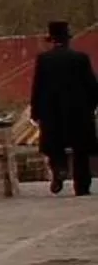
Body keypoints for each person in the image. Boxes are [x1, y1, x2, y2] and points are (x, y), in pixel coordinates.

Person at [30, 20, 97, 196]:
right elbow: (91, 85)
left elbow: (38, 87)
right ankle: (82, 185)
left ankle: (59, 169)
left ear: (51, 40)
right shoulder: (80, 58)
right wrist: (93, 106)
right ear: (68, 39)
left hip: (52, 112)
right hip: (79, 112)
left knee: (54, 145)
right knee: (80, 149)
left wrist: (35, 111)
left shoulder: (44, 60)